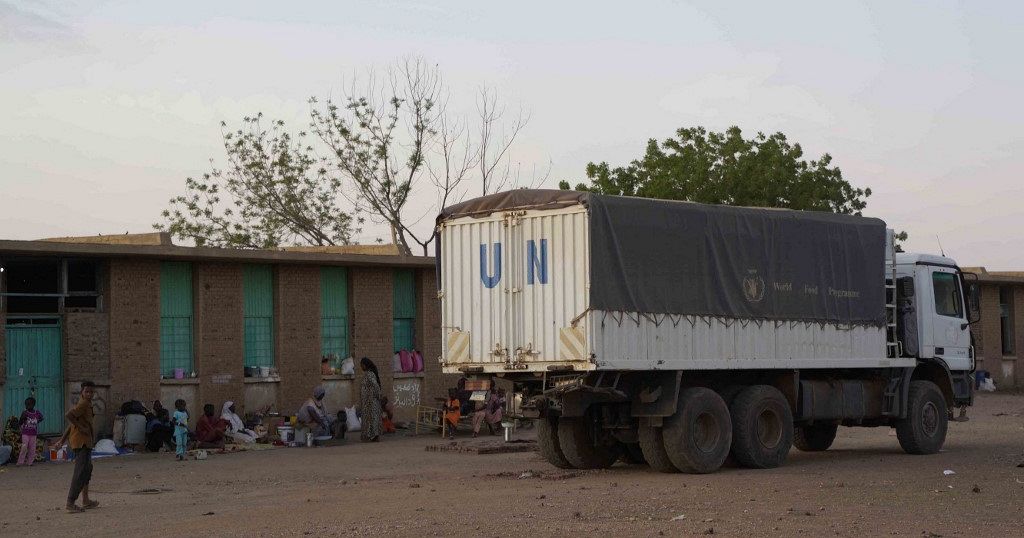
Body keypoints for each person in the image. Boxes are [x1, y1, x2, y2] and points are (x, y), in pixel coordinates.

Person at [59, 380, 98, 513]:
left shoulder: (86, 404)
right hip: (81, 442)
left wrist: (61, 441)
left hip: (86, 442)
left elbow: (71, 424)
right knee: (80, 471)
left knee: (87, 469)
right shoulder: (83, 404)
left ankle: (86, 500)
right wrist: (82, 427)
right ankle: (70, 502)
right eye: (87, 391)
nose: (89, 394)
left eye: (92, 392)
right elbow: (69, 416)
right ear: (82, 391)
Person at [359, 357, 383, 442]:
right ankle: (371, 436)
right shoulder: (368, 374)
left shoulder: (369, 374)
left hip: (371, 402)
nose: (361, 367)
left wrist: (378, 396)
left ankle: (373, 436)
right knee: (371, 419)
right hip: (368, 402)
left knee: (371, 419)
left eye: (361, 365)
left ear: (365, 365)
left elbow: (375, 385)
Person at [17, 396, 43, 466]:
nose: (27, 406)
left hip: (33, 434)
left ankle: (30, 462)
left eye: (29, 405)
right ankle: (20, 462)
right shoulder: (24, 413)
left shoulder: (37, 412)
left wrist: (37, 421)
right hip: (25, 433)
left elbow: (42, 418)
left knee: (32, 448)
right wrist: (23, 419)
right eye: (26, 405)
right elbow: (20, 422)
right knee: (24, 447)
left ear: (33, 405)